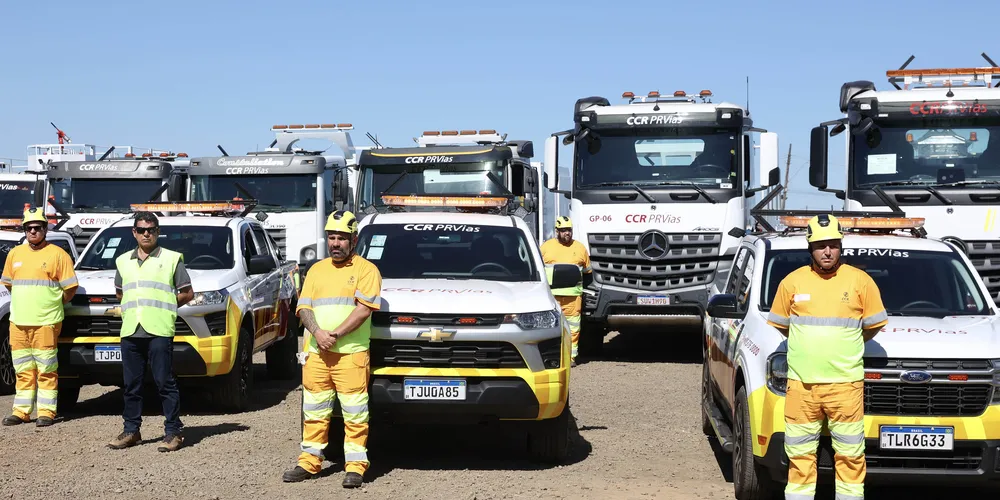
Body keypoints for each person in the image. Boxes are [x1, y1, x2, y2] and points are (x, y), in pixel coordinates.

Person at [766, 214, 887, 500]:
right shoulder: (791, 282)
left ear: (841, 245)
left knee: (850, 458)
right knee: (799, 458)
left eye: (833, 244)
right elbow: (783, 324)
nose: (828, 251)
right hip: (802, 387)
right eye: (821, 245)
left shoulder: (861, 282)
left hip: (845, 387)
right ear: (810, 248)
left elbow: (873, 325)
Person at [282, 210, 382, 488]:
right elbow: (303, 307)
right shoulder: (316, 269)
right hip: (317, 353)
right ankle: (309, 462)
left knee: (355, 414)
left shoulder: (367, 270)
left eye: (341, 238)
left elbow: (363, 310)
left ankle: (355, 467)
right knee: (314, 411)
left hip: (350, 354)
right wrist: (318, 333)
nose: (336, 243)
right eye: (332, 237)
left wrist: (334, 335)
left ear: (354, 239)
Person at [107, 212, 193, 452]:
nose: (147, 233)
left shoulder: (172, 259)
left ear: (158, 232)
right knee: (131, 385)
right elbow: (120, 293)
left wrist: (165, 306)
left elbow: (187, 292)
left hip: (159, 329)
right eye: (142, 229)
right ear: (134, 232)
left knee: (164, 382)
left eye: (151, 229)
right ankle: (131, 430)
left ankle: (173, 432)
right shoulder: (123, 260)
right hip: (131, 330)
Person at [1, 207, 77, 427]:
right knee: (23, 369)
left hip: (46, 322)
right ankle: (21, 411)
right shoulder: (15, 254)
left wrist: (54, 303)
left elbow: (70, 288)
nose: (33, 231)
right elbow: (8, 283)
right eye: (29, 228)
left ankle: (46, 412)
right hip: (18, 322)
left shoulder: (57, 255)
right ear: (24, 230)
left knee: (46, 369)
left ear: (45, 228)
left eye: (37, 227)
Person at [540, 216, 591, 366]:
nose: (567, 233)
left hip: (573, 298)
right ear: (557, 231)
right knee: (549, 327)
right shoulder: (546, 247)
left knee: (573, 328)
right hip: (551, 297)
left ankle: (571, 357)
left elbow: (588, 272)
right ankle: (550, 357)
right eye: (563, 230)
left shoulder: (580, 248)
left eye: (569, 230)